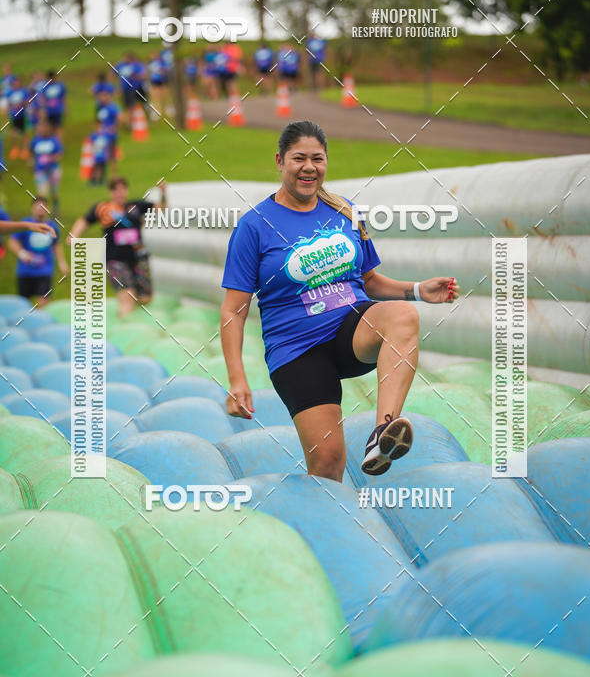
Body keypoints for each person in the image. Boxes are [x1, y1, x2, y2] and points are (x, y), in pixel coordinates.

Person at [220, 120, 459, 482]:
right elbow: (233, 310)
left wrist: (417, 290)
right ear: (280, 161)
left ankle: (383, 431)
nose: (309, 167)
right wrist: (237, 379)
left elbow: (370, 281)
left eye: (317, 159)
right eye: (299, 158)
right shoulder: (253, 226)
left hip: (350, 329)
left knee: (403, 315)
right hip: (297, 350)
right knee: (328, 464)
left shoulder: (345, 211)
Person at [68, 177, 167, 317]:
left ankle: (134, 317)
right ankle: (125, 321)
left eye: (122, 189)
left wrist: (163, 192)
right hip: (115, 259)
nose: (120, 193)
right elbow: (84, 220)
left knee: (145, 298)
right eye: (116, 190)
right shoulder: (103, 208)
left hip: (138, 258)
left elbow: (161, 208)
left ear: (127, 190)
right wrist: (73, 235)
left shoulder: (136, 206)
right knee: (128, 295)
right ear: (111, 192)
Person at [7, 196, 68, 307]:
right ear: (32, 208)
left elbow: (56, 245)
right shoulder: (25, 224)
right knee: (24, 304)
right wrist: (22, 254)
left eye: (43, 208)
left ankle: (41, 318)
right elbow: (12, 241)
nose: (40, 210)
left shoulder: (52, 226)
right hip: (25, 271)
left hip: (45, 271)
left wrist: (62, 262)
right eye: (37, 208)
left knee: (44, 302)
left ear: (47, 209)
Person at [29, 119, 63, 215]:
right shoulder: (35, 141)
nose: (43, 129)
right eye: (41, 127)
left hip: (53, 170)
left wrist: (50, 158)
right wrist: (30, 163)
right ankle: (42, 212)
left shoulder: (54, 140)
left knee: (54, 191)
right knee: (42, 193)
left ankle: (56, 208)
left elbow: (59, 154)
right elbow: (31, 153)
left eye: (45, 127)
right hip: (40, 171)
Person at [7, 76, 30, 160]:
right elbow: (9, 103)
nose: (17, 83)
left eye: (18, 82)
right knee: (13, 133)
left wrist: (21, 104)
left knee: (24, 132)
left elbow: (27, 102)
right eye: (16, 82)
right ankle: (14, 149)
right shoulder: (10, 92)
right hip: (13, 115)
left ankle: (24, 150)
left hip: (22, 115)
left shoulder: (24, 91)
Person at [43, 70, 67, 137]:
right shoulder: (45, 86)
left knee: (59, 127)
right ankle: (53, 139)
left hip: (58, 110)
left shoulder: (60, 85)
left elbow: (64, 98)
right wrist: (43, 109)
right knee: (50, 127)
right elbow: (43, 98)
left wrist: (65, 108)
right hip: (49, 110)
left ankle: (59, 142)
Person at [88, 120, 112, 185]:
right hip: (95, 155)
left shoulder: (105, 134)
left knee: (102, 167)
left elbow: (108, 144)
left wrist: (107, 154)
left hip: (103, 155)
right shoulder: (93, 135)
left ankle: (101, 180)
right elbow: (90, 144)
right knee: (96, 167)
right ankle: (93, 180)